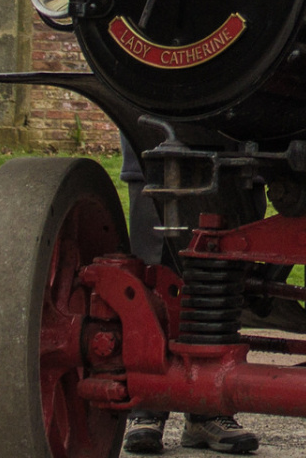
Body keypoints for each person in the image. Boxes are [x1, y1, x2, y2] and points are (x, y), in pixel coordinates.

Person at [119, 135, 262, 455]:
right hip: (155, 143)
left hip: (242, 148)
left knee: (224, 267)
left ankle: (208, 409)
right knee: (153, 269)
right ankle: (147, 405)